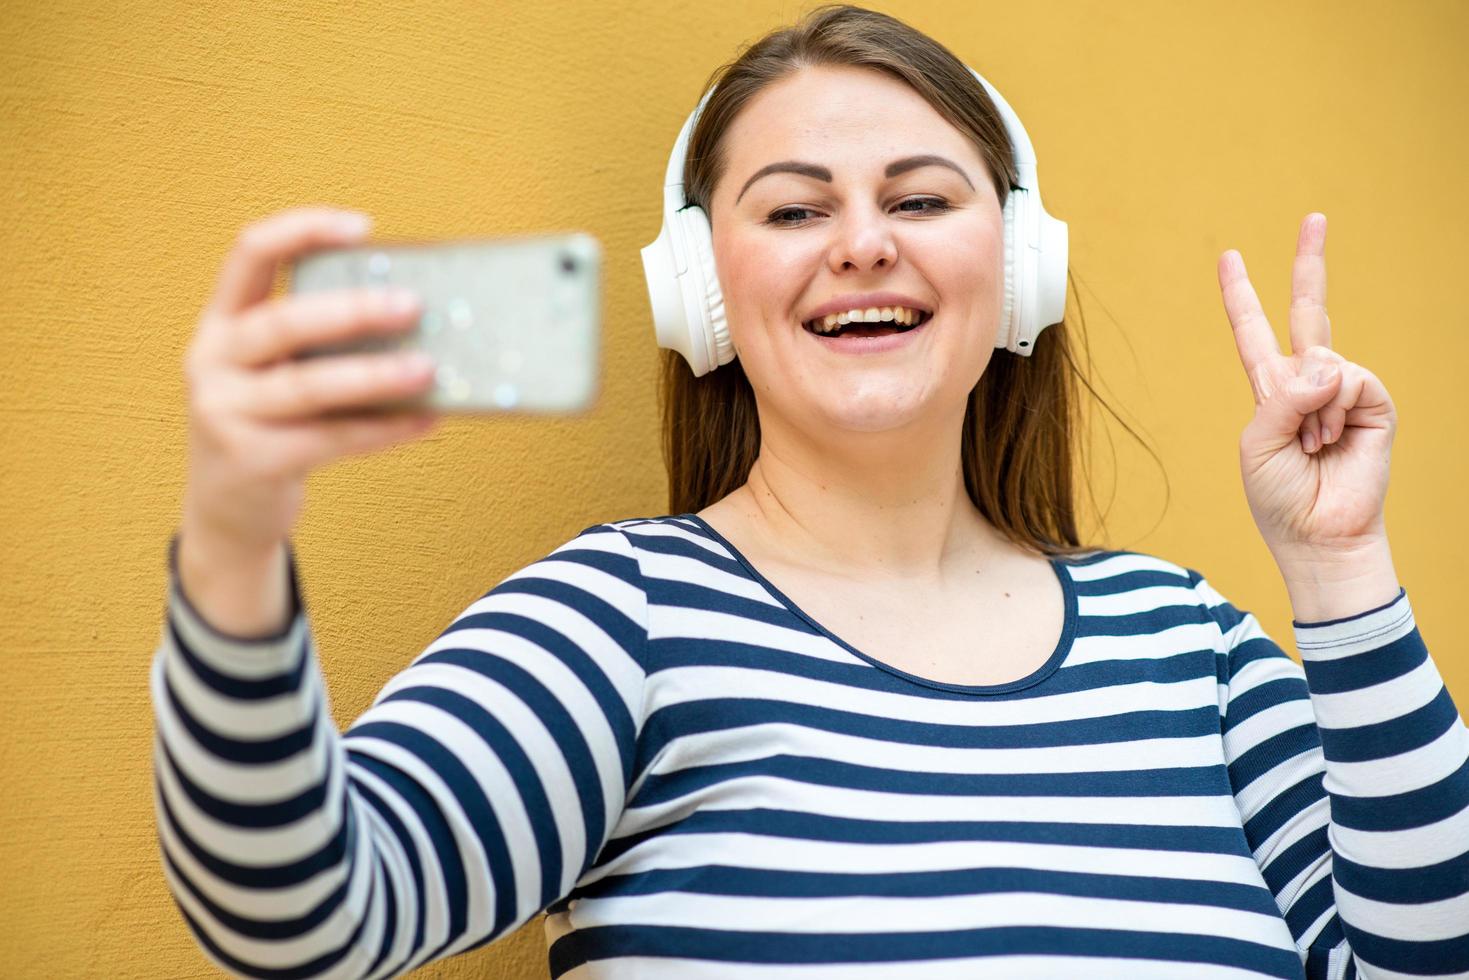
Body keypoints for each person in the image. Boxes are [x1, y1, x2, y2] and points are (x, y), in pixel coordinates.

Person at [151, 5, 1468, 978]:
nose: (860, 243)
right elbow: (300, 917)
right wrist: (231, 544)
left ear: (1018, 272)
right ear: (702, 294)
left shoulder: (1187, 649)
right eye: (790, 211)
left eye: (919, 196)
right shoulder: (623, 622)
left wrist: (1338, 570)